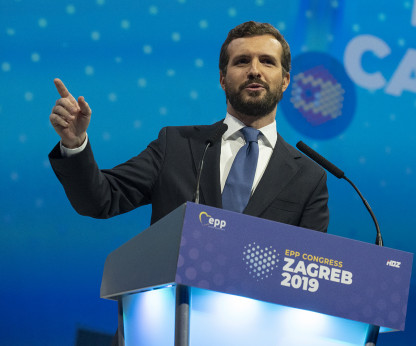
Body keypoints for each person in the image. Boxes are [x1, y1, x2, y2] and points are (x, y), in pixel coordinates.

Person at [48, 21, 329, 233]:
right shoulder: (177, 145)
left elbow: (309, 271)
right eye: (242, 61)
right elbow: (100, 200)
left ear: (285, 80)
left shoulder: (308, 177)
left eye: (267, 61)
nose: (254, 70)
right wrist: (74, 143)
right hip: (177, 306)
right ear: (222, 78)